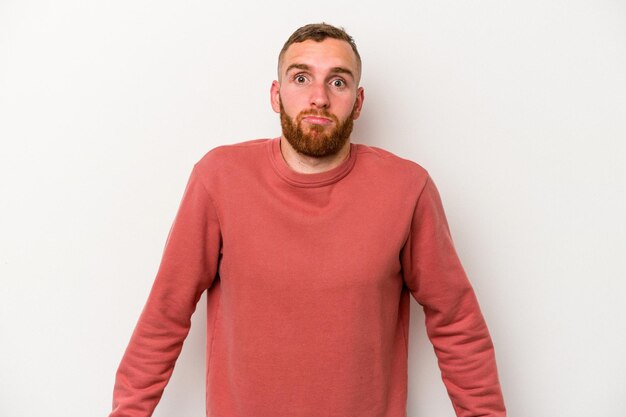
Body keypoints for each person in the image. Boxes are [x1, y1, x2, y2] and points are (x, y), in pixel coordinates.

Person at [109, 23, 506, 417]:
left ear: (359, 100)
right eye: (301, 78)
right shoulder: (219, 179)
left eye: (338, 82)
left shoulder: (406, 188)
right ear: (276, 94)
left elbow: (457, 324)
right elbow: (165, 316)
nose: (319, 98)